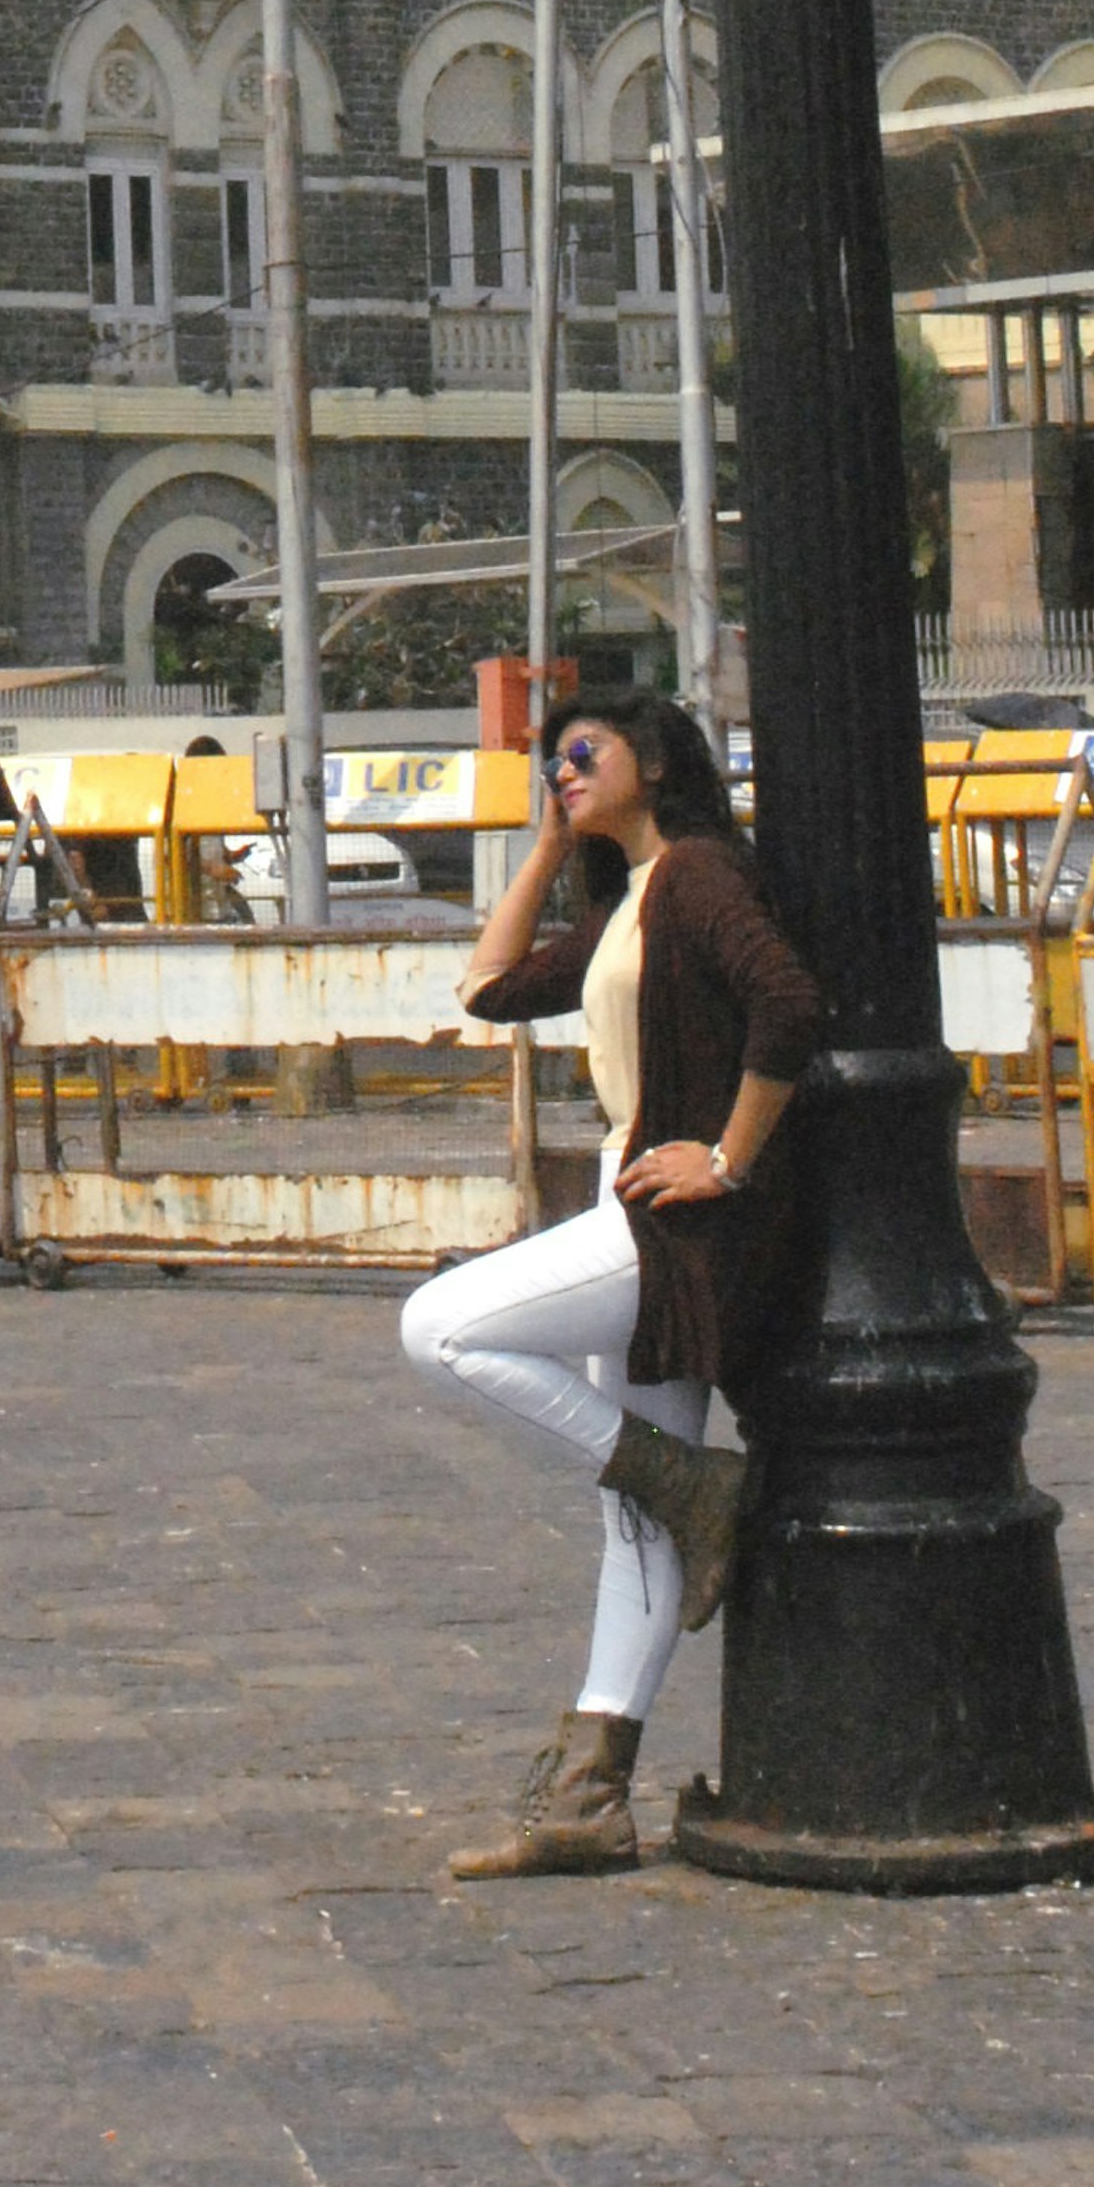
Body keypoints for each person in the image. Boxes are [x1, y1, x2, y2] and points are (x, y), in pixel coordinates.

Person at [399, 688, 822, 1881]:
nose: (565, 769)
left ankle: (696, 1482)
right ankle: (591, 1796)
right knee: (634, 1523)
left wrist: (729, 1159)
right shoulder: (635, 900)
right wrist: (544, 850)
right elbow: (487, 990)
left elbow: (787, 1004)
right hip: (635, 1209)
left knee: (441, 1326)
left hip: (671, 1221)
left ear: (656, 756)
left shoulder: (694, 877)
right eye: (552, 762)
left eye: (584, 753)